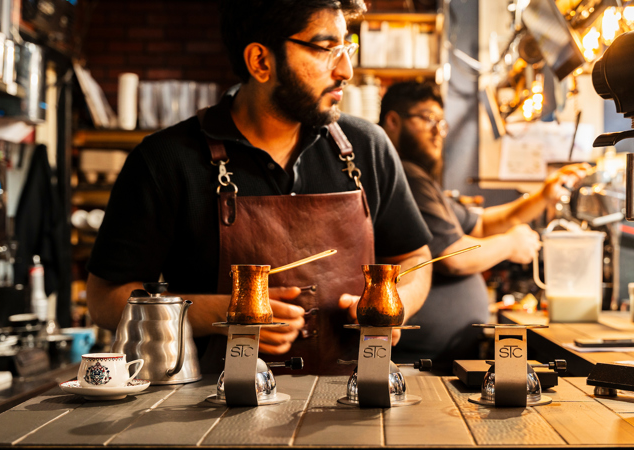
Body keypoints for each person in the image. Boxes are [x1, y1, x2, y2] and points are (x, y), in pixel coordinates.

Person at [86, 1, 433, 375]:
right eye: (326, 49)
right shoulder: (166, 160)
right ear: (260, 62)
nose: (345, 69)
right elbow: (104, 300)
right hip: (207, 413)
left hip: (351, 406)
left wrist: (396, 303)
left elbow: (414, 258)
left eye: (347, 48)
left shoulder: (367, 146)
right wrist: (228, 313)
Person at [379, 81, 589, 369]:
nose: (437, 132)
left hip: (435, 360)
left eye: (441, 123)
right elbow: (452, 256)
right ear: (393, 121)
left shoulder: (422, 183)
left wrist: (543, 195)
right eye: (428, 119)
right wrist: (511, 244)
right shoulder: (403, 178)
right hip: (416, 364)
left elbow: (484, 223)